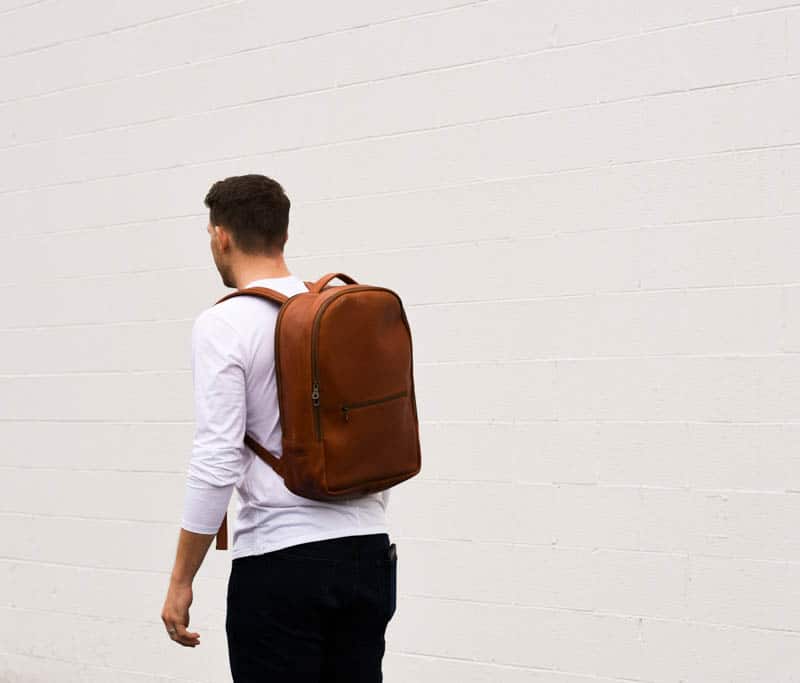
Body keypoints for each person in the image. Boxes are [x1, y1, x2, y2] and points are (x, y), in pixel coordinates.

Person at [160, 174, 396, 682]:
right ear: (283, 236)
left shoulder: (224, 325)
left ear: (221, 236)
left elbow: (217, 460)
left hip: (282, 563)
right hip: (369, 553)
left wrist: (182, 580)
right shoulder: (340, 309)